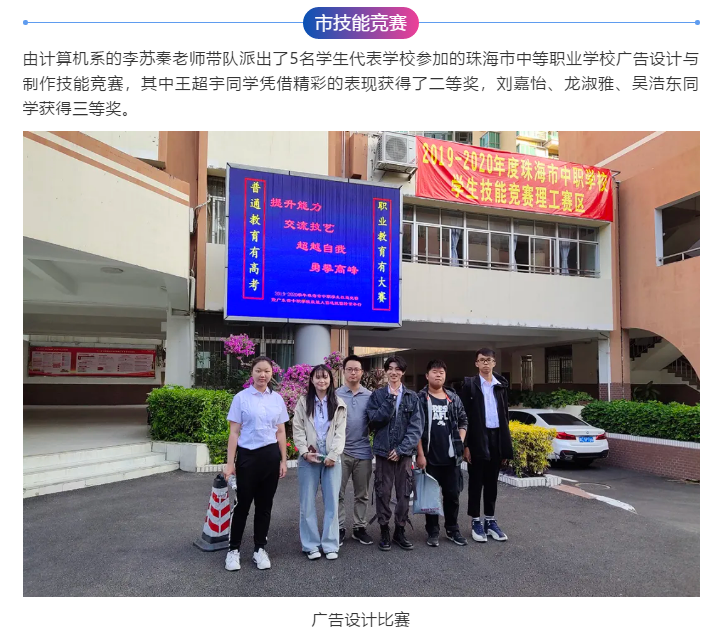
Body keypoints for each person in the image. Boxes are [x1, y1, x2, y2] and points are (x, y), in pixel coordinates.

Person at [224, 356, 289, 571]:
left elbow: (281, 432)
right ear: (251, 372)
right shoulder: (241, 398)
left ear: (272, 373)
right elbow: (234, 432)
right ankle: (233, 550)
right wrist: (230, 463)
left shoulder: (277, 399)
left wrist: (283, 460)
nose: (263, 375)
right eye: (259, 370)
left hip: (270, 456)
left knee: (264, 506)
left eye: (267, 371)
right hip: (247, 457)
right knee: (242, 505)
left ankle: (259, 549)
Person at [365, 355, 423, 551]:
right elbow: (374, 421)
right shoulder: (378, 396)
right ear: (385, 371)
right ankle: (384, 530)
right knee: (382, 492)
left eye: (398, 369)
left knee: (404, 493)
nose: (393, 372)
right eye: (390, 368)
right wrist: (390, 400)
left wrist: (401, 450)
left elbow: (416, 428)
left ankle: (400, 530)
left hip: (403, 455)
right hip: (383, 453)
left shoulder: (412, 397)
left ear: (403, 372)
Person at [292, 364, 347, 560]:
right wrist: (304, 452)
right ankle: (310, 545)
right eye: (318, 377)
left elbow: (340, 432)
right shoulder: (303, 402)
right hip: (309, 455)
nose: (321, 380)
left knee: (332, 501)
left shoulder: (339, 403)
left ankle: (330, 545)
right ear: (312, 380)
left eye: (325, 377)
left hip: (332, 454)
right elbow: (298, 428)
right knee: (307, 502)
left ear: (331, 380)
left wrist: (333, 454)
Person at [459, 348, 513, 543]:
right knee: (476, 482)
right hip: (477, 438)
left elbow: (505, 416)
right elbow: (463, 416)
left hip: (496, 437)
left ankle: (490, 520)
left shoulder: (500, 386)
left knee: (492, 482)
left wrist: (505, 445)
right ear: (476, 363)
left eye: (489, 360)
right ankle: (475, 521)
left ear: (494, 363)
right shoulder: (470, 385)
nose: (485, 363)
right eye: (482, 360)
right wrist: (466, 445)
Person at [415, 359, 469, 547]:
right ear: (427, 375)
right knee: (431, 496)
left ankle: (453, 529)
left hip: (451, 458)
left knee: (452, 495)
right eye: (434, 372)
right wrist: (420, 454)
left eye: (441, 372)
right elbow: (416, 428)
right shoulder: (420, 398)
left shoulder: (453, 398)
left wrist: (459, 441)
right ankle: (432, 531)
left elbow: (463, 421)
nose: (438, 375)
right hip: (430, 457)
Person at [336, 355, 374, 545]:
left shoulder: (370, 396)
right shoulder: (334, 394)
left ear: (362, 372)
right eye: (349, 369)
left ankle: (360, 527)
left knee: (362, 494)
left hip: (363, 451)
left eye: (356, 369)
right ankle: (339, 527)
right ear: (344, 371)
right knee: (338, 493)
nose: (353, 372)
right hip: (340, 452)